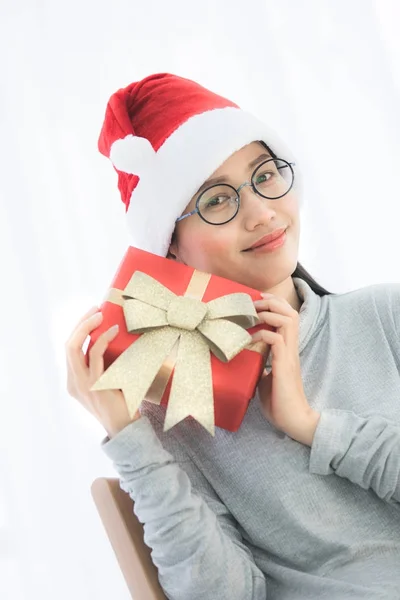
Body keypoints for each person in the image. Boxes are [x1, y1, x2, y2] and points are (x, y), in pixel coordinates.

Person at [65, 73, 400, 600]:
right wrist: (130, 439)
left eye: (266, 174)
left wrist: (313, 426)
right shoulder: (175, 419)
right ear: (169, 248)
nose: (263, 212)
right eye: (217, 201)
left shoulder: (386, 317)